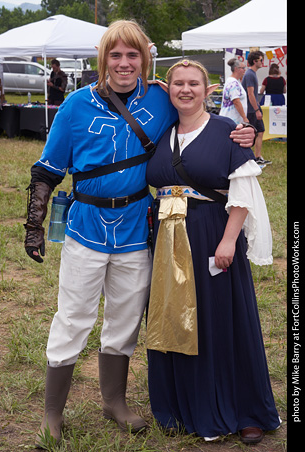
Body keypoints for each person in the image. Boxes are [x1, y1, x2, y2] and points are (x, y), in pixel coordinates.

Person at [24, 21, 256, 448]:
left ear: (145, 61)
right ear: (103, 59)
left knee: (125, 320)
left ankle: (114, 401)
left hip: (136, 230)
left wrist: (243, 132)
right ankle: (52, 414)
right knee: (73, 318)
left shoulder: (158, 98)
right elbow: (47, 170)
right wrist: (34, 225)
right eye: (116, 55)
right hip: (86, 229)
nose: (124, 63)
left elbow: (198, 116)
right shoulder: (75, 106)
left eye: (133, 56)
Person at [146, 59, 281, 445]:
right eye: (178, 84)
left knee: (222, 321)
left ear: (209, 90)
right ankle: (183, 407)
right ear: (167, 89)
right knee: (176, 322)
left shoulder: (227, 131)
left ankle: (245, 411)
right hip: (167, 241)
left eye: (193, 84)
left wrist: (228, 239)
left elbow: (242, 190)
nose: (185, 90)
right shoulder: (162, 133)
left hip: (211, 235)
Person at [242, 51, 271, 166]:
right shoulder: (249, 74)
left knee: (260, 131)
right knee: (251, 134)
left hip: (253, 108)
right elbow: (250, 94)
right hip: (251, 110)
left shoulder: (252, 74)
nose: (262, 63)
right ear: (255, 61)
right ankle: (248, 158)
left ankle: (257, 157)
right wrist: (256, 110)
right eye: (261, 60)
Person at [220, 58, 248, 124]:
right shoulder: (233, 83)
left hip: (231, 119)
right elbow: (236, 101)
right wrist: (244, 118)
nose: (245, 70)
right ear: (236, 69)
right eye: (243, 68)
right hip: (232, 119)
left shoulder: (232, 81)